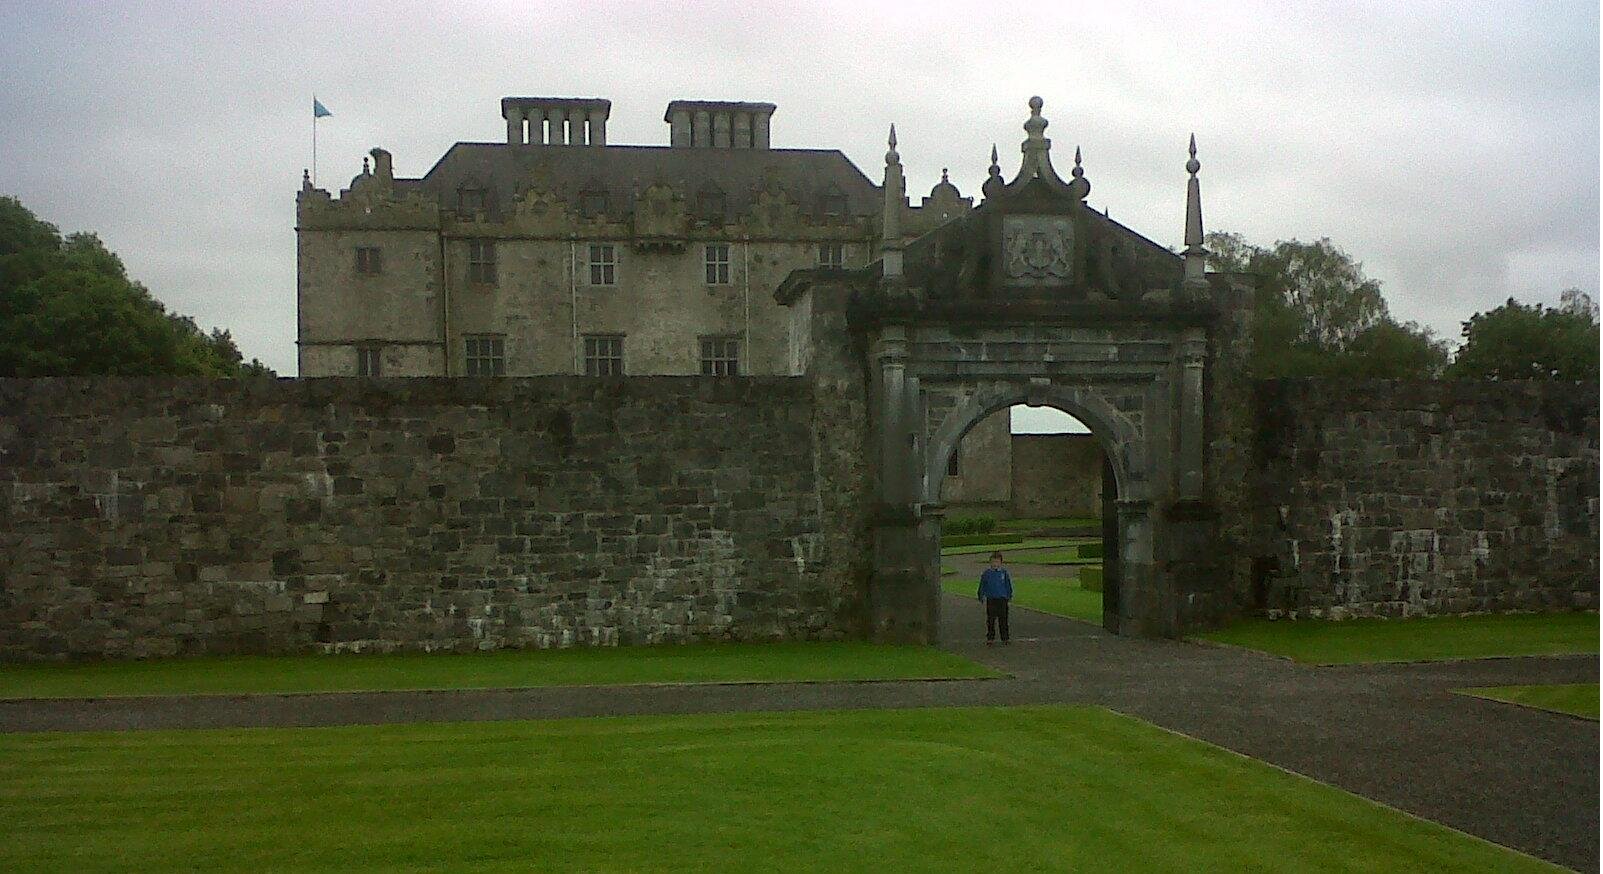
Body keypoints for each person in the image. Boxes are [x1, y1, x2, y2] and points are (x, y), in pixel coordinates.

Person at [977, 551, 1013, 644]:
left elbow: (1008, 585)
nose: (995, 564)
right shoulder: (987, 573)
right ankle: (990, 637)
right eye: (993, 562)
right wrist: (981, 595)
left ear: (1001, 563)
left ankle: (1005, 638)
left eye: (997, 562)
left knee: (1003, 620)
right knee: (991, 620)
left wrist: (1009, 595)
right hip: (991, 599)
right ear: (990, 562)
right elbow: (982, 585)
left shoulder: (1004, 573)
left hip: (1002, 599)